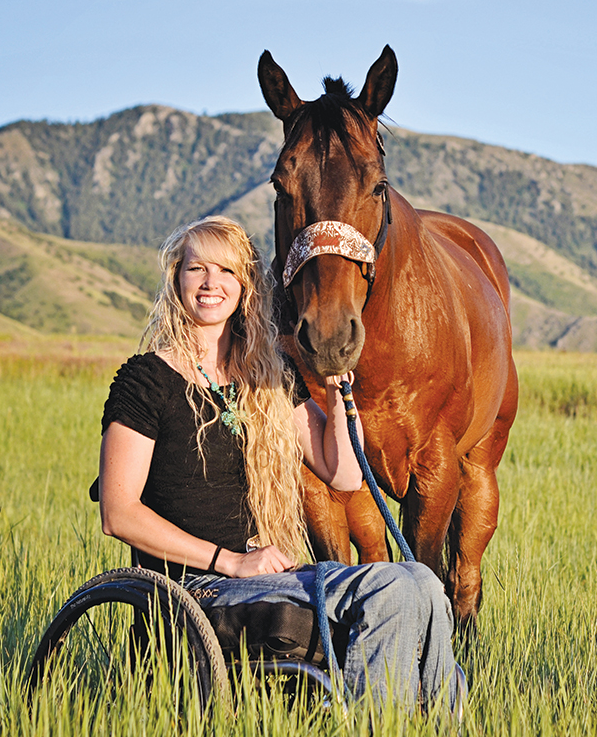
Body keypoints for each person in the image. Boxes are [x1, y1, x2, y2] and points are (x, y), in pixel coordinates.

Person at [96, 215, 457, 710]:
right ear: (176, 278)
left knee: (421, 581)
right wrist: (233, 562)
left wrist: (336, 402)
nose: (210, 283)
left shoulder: (266, 378)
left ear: (244, 287)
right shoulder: (145, 381)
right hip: (194, 590)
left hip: (268, 578)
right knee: (393, 588)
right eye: (196, 269)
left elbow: (344, 473)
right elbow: (118, 514)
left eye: (225, 272)